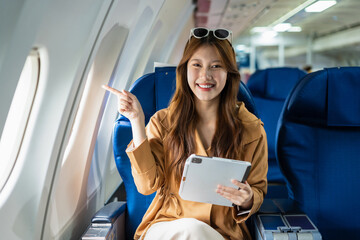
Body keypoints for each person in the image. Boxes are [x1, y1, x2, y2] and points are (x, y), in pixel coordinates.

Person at [103, 27, 268, 240]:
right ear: (185, 70)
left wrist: (247, 199)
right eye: (196, 65)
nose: (205, 75)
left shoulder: (251, 128)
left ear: (229, 73)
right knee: (192, 230)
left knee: (196, 232)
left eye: (216, 66)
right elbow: (146, 186)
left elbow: (258, 191)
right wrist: (136, 120)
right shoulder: (163, 122)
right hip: (168, 225)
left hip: (223, 231)